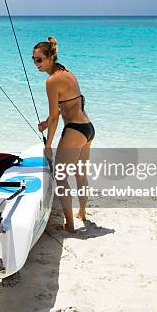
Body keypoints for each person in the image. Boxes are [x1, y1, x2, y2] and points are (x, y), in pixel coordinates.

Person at [34, 37, 95, 232]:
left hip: (75, 130)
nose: (36, 64)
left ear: (50, 58)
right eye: (34, 60)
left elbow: (55, 117)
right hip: (88, 128)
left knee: (60, 177)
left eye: (39, 60)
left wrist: (47, 146)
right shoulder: (65, 71)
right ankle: (82, 213)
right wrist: (46, 122)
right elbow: (64, 107)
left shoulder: (51, 81)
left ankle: (69, 225)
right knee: (80, 174)